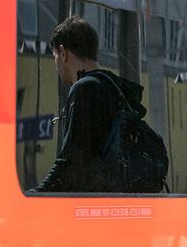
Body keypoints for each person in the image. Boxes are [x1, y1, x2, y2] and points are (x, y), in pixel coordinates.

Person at [35, 15, 147, 192]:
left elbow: (71, 164)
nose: (56, 67)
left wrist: (35, 196)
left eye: (55, 57)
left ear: (63, 53)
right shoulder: (115, 87)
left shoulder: (84, 89)